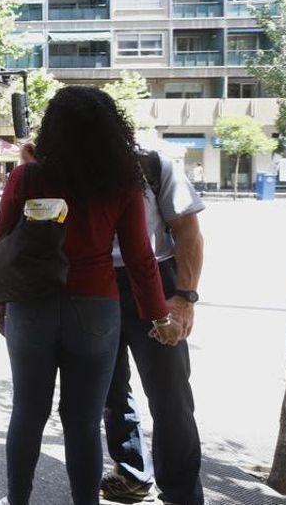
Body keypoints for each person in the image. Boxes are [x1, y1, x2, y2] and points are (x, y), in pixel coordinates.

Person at [0, 87, 176, 505]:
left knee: (27, 413)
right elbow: (139, 257)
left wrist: (0, 306)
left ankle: (18, 500)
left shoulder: (27, 177)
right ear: (112, 130)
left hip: (32, 305)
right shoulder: (123, 182)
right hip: (96, 310)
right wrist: (158, 315)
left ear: (53, 128)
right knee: (83, 422)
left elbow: (1, 242)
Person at [100, 150, 206, 505]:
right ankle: (131, 474)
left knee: (170, 396)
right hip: (95, 286)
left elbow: (188, 232)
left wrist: (184, 297)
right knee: (110, 390)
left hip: (156, 281)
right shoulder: (70, 161)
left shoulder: (153, 166)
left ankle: (181, 495)